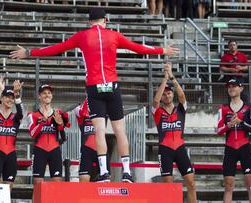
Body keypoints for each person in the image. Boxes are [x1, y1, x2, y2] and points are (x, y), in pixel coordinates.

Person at [10, 7, 179, 183]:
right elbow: (138, 48)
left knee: (99, 130)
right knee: (119, 130)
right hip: (112, 86)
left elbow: (55, 48)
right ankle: (127, 173)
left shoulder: (82, 36)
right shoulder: (114, 35)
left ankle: (104, 172)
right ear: (105, 20)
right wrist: (162, 51)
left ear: (90, 22)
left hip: (94, 87)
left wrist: (29, 52)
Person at [152, 63, 197, 203]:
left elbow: (182, 95)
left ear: (173, 94)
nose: (166, 95)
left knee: (191, 183)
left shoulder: (181, 109)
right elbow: (155, 101)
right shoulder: (158, 112)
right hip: (165, 150)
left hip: (180, 148)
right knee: (168, 186)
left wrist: (171, 76)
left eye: (169, 93)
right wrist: (164, 80)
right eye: (164, 94)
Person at [217, 78, 251, 203]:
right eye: (229, 86)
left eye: (234, 86)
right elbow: (218, 131)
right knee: (228, 186)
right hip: (230, 149)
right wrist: (228, 125)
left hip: (244, 147)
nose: (231, 88)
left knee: (250, 183)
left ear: (241, 88)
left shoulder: (249, 108)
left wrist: (241, 122)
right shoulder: (222, 109)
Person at [27, 84, 70, 184]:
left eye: (49, 93)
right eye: (44, 93)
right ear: (39, 96)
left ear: (52, 95)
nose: (47, 95)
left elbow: (63, 138)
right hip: (39, 151)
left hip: (54, 150)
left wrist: (60, 125)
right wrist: (42, 121)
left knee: (57, 183)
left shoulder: (58, 113)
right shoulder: (33, 115)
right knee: (38, 185)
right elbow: (32, 134)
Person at [0, 76, 24, 190]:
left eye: (12, 98)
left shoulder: (15, 117)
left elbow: (21, 113)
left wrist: (17, 95)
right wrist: (0, 90)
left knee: (8, 191)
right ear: (2, 99)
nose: (10, 100)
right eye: (7, 97)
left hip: (11, 155)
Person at [74, 98, 110, 182]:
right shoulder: (80, 110)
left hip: (102, 149)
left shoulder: (104, 109)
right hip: (87, 150)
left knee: (106, 181)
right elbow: (79, 112)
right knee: (84, 180)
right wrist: (89, 98)